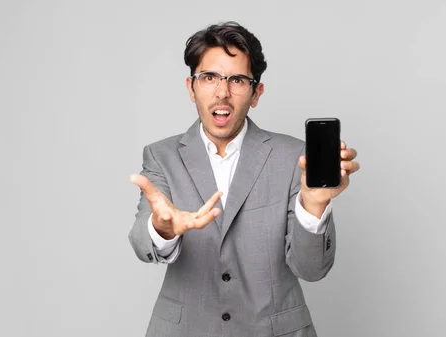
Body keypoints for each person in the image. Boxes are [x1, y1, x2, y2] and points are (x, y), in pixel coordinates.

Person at [128, 21, 360, 337]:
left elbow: (312, 269)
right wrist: (163, 229)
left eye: (237, 80)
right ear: (191, 86)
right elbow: (143, 244)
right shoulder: (161, 155)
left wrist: (314, 204)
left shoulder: (295, 157)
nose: (222, 93)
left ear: (255, 93)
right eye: (209, 77)